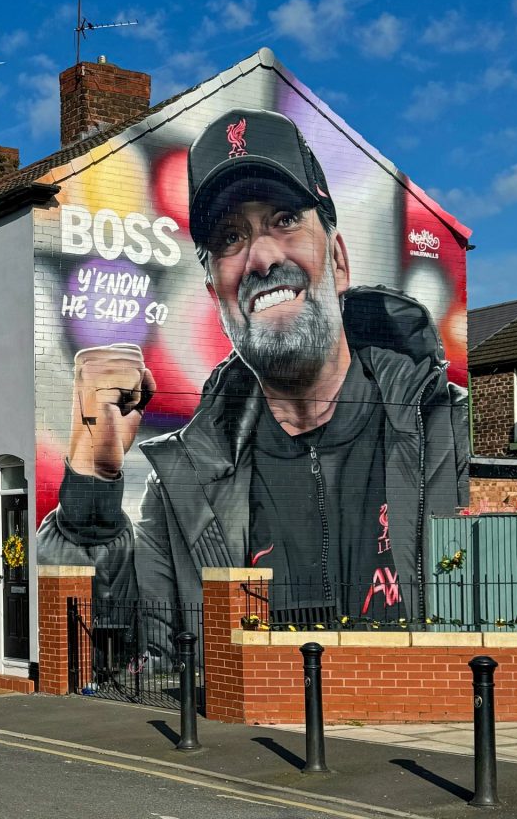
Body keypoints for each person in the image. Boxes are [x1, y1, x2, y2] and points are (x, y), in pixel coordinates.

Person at [38, 107, 468, 658]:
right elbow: (117, 665)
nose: (262, 257)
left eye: (285, 219)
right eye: (231, 238)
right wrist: (90, 498)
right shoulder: (179, 493)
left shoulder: (449, 433)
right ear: (218, 296)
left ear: (337, 260)